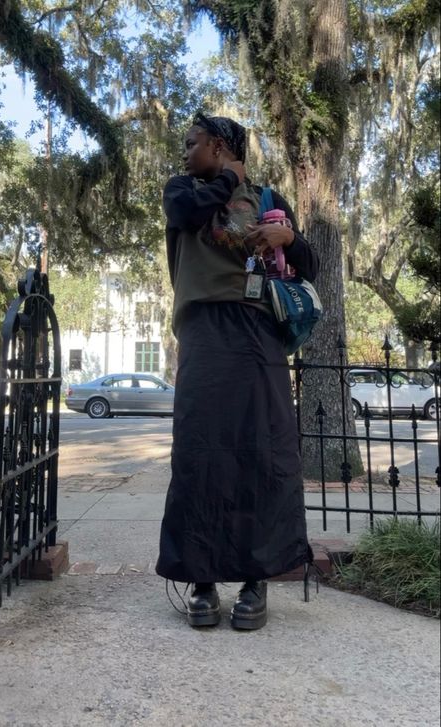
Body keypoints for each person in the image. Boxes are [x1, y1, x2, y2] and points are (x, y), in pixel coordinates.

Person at [156, 112, 319, 630]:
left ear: (220, 145)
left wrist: (288, 241)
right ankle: (202, 582)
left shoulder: (268, 200)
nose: (185, 152)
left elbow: (310, 264)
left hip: (257, 334)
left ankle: (256, 581)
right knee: (199, 451)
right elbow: (188, 209)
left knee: (260, 452)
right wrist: (230, 175)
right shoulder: (183, 191)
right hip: (203, 331)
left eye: (193, 143)